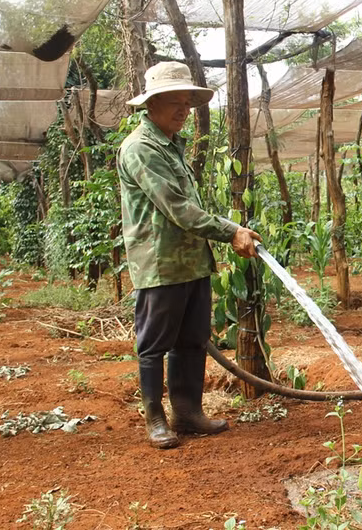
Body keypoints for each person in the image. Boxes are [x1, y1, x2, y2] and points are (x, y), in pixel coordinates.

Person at [118, 61, 262, 449]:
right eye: (174, 102)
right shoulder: (141, 148)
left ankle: (187, 413)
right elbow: (177, 208)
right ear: (151, 104)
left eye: (187, 102)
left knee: (193, 339)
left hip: (192, 261)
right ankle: (155, 419)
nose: (183, 110)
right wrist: (230, 231)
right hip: (160, 263)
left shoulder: (172, 145)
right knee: (154, 344)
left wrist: (226, 231)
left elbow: (188, 208)